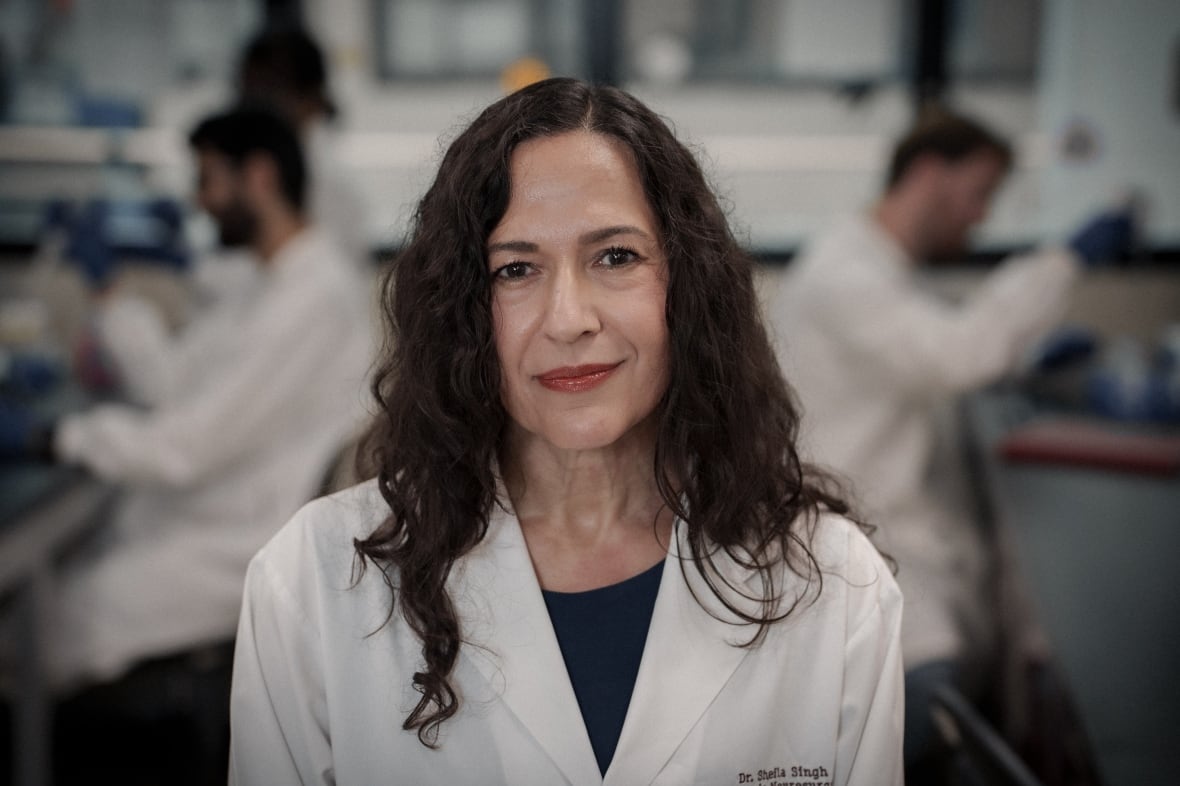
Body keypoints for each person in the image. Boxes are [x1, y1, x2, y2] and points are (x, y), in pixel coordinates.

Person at [228, 78, 903, 784]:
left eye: (616, 257)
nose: (568, 318)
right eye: (515, 269)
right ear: (463, 312)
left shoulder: (835, 585)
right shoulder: (309, 582)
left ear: (688, 286)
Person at [764, 108, 1133, 778]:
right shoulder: (844, 275)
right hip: (876, 562)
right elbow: (956, 352)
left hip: (897, 554)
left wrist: (1032, 358)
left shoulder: (881, 270)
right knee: (925, 730)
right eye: (979, 192)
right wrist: (1066, 260)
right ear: (930, 173)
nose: (980, 217)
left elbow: (927, 349)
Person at [1, 105, 374, 690]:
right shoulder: (266, 280)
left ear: (259, 176)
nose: (200, 203)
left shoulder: (313, 296)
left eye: (208, 180)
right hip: (209, 509)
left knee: (50, 622)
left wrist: (53, 437)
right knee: (50, 584)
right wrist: (107, 290)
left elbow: (184, 448)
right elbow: (173, 384)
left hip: (242, 541)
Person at [235, 24, 371, 269]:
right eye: (249, 96)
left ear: (310, 99)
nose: (254, 111)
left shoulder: (331, 187)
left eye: (267, 94)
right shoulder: (258, 169)